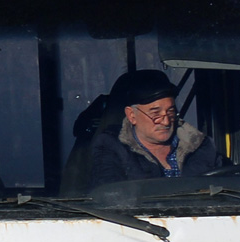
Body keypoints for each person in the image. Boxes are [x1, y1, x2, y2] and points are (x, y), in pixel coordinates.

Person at [88, 69, 222, 186]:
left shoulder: (201, 146)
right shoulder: (110, 148)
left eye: (170, 112)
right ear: (131, 115)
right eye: (155, 113)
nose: (165, 122)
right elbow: (110, 199)